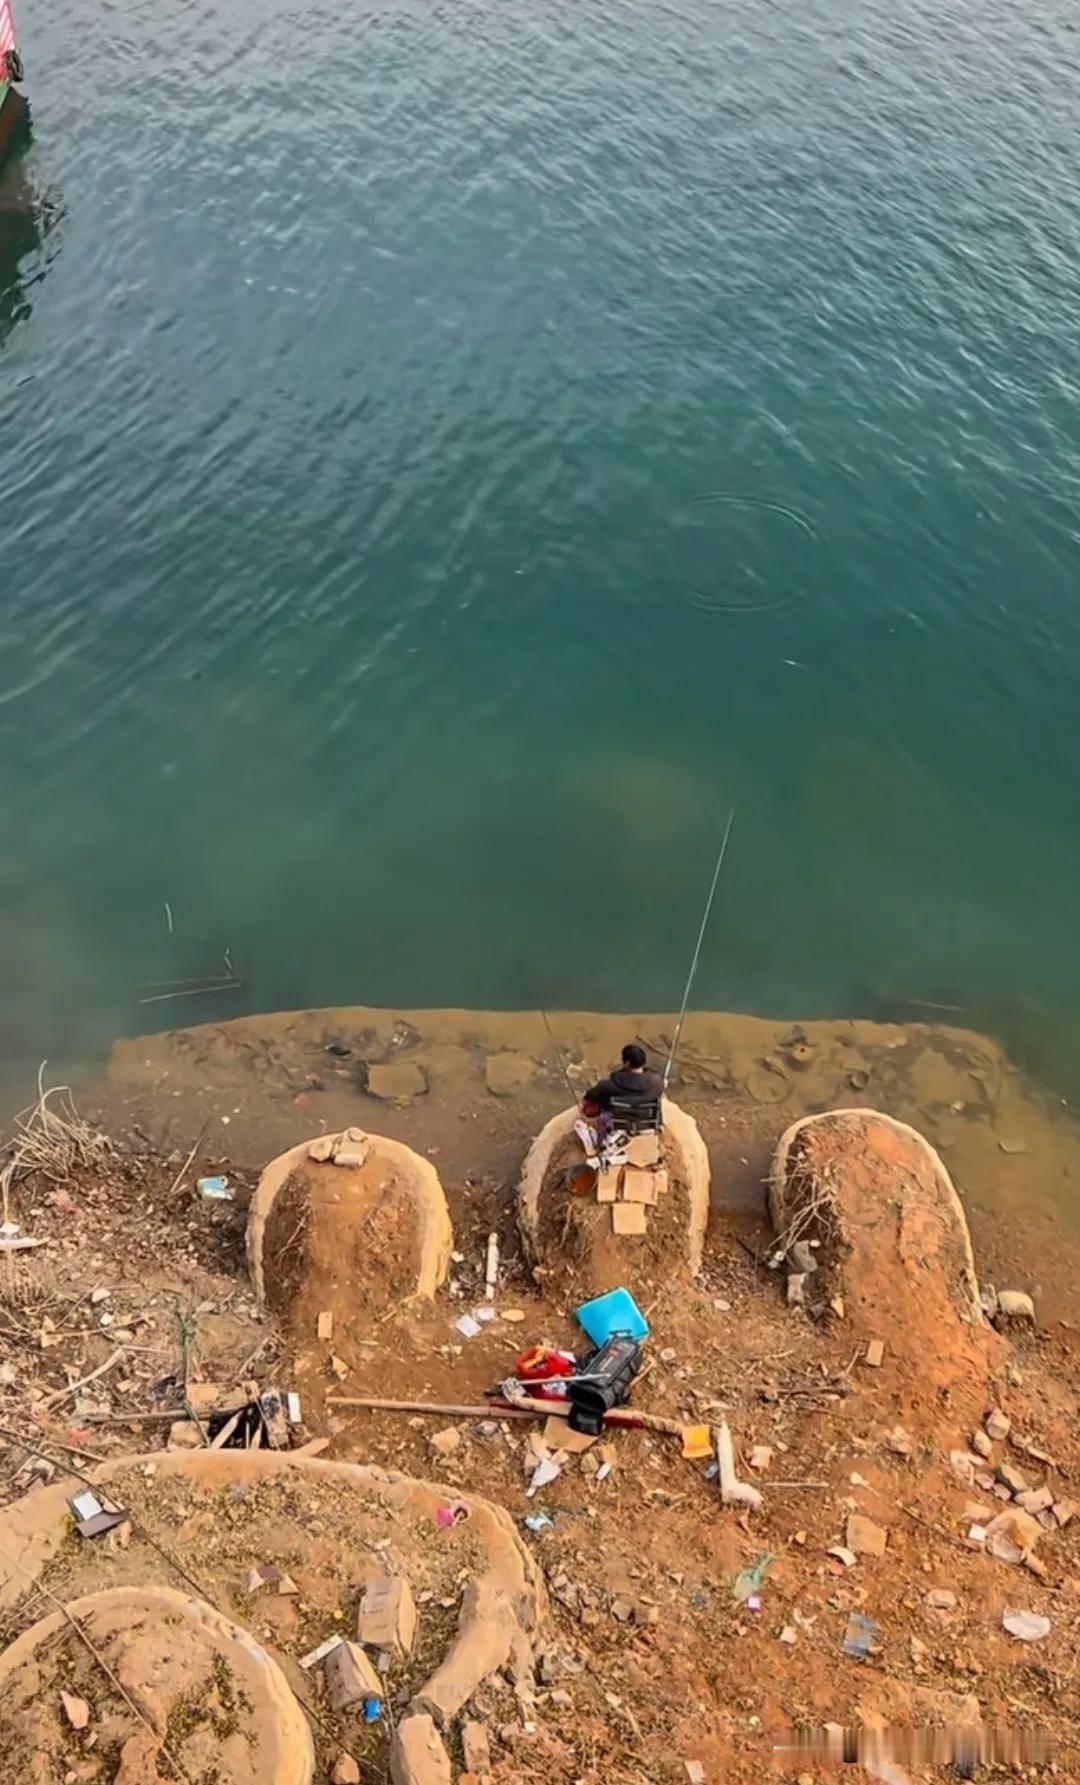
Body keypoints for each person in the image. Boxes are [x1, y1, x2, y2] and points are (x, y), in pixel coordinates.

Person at [584, 1043, 664, 1115]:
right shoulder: (657, 1081)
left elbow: (589, 1095)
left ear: (627, 1063)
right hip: (646, 1121)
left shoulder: (610, 1085)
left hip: (619, 1123)